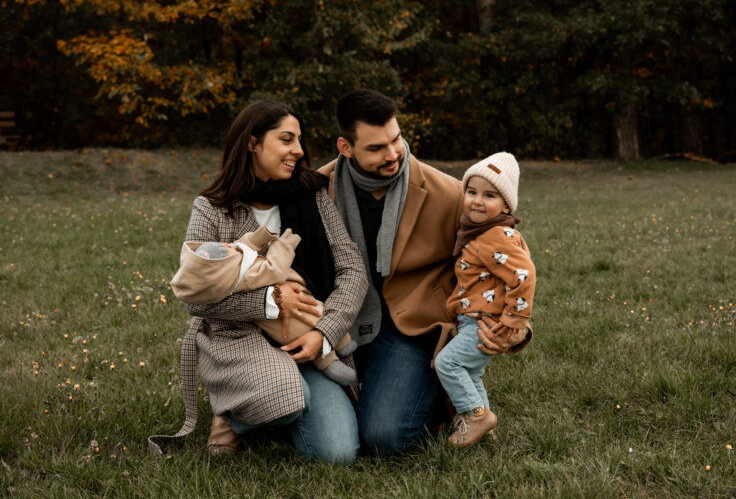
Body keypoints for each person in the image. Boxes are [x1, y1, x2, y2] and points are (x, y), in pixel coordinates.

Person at [148, 100, 367, 464]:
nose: (298, 150)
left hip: (306, 339)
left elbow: (352, 271)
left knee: (337, 454)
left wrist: (324, 333)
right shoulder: (212, 207)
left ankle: (271, 408)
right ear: (252, 143)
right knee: (285, 396)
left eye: (299, 140)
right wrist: (271, 299)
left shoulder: (312, 194)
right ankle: (235, 415)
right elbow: (195, 296)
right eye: (286, 139)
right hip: (240, 340)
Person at [318, 89, 526, 455]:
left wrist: (516, 329)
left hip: (411, 327)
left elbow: (510, 259)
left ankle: (434, 393)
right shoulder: (318, 189)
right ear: (345, 147)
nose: (393, 153)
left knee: (385, 438)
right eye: (376, 148)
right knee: (331, 435)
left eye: (396, 139)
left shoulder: (450, 194)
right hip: (339, 321)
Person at [169, 227, 358, 386]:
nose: (229, 244)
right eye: (226, 247)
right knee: (311, 317)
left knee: (314, 314)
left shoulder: (231, 268)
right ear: (226, 262)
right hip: (283, 322)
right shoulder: (249, 276)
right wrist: (282, 245)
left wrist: (262, 235)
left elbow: (244, 246)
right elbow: (274, 268)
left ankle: (337, 343)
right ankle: (332, 355)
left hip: (291, 310)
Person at [434, 152, 535, 448]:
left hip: (483, 321)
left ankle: (476, 416)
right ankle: (485, 432)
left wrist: (514, 320)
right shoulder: (479, 231)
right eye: (472, 191)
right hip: (471, 318)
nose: (477, 201)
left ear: (505, 204)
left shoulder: (494, 236)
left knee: (448, 364)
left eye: (489, 195)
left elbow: (524, 273)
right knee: (471, 373)